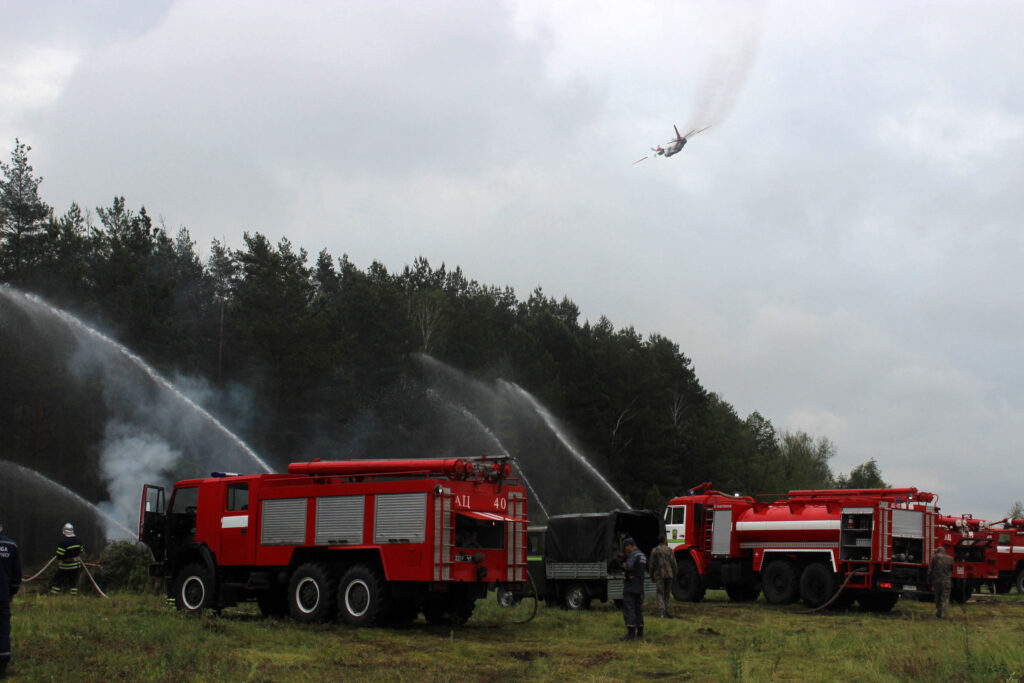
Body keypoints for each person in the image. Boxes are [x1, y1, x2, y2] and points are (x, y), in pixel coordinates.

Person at [0, 519, 22, 680]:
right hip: (2, 596)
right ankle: (2, 666)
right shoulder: (11, 546)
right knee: (2, 630)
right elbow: (16, 575)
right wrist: (12, 593)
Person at [620, 537, 647, 641]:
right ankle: (640, 631)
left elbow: (629, 567)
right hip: (640, 586)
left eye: (625, 548)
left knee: (629, 608)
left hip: (631, 587)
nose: (625, 551)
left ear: (629, 546)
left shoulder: (633, 555)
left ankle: (630, 632)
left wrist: (625, 568)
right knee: (638, 609)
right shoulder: (642, 555)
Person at [50, 523, 84, 596]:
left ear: (64, 531)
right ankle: (73, 596)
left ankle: (53, 594)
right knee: (73, 581)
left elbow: (59, 555)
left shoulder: (63, 542)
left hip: (65, 566)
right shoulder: (78, 541)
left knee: (58, 580)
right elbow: (81, 551)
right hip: (76, 565)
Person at [649, 534, 678, 618]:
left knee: (660, 593)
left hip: (659, 575)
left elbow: (651, 564)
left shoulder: (654, 550)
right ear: (664, 540)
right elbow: (674, 563)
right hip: (669, 574)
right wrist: (675, 574)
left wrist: (651, 575)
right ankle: (667, 611)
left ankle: (662, 612)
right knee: (667, 593)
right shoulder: (669, 550)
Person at [928, 545, 954, 618]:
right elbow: (952, 569)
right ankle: (944, 613)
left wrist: (929, 580)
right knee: (945, 597)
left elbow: (930, 570)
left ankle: (939, 613)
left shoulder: (935, 557)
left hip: (937, 581)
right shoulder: (950, 558)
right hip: (946, 581)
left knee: (937, 597)